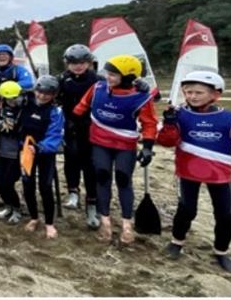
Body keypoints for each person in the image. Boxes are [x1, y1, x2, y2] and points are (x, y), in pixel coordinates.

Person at [157, 71, 231, 273]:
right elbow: (166, 142)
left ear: (216, 94)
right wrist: (170, 123)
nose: (192, 96)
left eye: (198, 92)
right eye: (188, 92)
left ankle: (222, 252)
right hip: (188, 172)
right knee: (187, 210)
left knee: (226, 216)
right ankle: (176, 242)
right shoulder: (179, 114)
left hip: (219, 175)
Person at [73, 55, 157, 244]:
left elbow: (149, 124)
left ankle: (127, 224)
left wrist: (148, 148)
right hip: (100, 142)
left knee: (123, 179)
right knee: (102, 176)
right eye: (107, 73)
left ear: (127, 77)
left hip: (125, 145)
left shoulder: (141, 97)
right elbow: (80, 108)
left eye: (113, 75)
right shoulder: (97, 88)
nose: (108, 78)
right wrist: (75, 125)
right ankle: (105, 221)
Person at [56, 44, 102, 229]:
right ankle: (73, 192)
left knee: (90, 165)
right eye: (74, 63)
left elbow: (120, 86)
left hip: (91, 127)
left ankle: (92, 203)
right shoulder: (62, 79)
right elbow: (51, 96)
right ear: (67, 63)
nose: (78, 66)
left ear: (89, 63)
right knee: (71, 159)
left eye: (82, 62)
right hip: (69, 126)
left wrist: (138, 84)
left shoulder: (97, 80)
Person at [20, 76, 65, 239]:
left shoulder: (55, 111)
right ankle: (33, 217)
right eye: (40, 92)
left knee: (45, 187)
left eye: (48, 93)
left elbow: (55, 135)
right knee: (27, 184)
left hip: (45, 152)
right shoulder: (26, 102)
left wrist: (39, 147)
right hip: (26, 150)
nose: (42, 96)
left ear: (54, 95)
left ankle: (49, 223)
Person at [0, 81, 25, 224]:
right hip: (1, 151)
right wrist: (0, 125)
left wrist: (15, 127)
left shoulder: (24, 108)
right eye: (9, 98)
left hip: (17, 154)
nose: (13, 101)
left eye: (15, 97)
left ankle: (17, 208)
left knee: (9, 183)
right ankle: (8, 206)